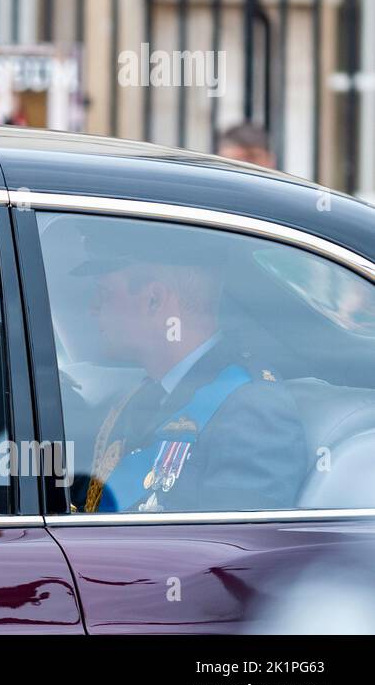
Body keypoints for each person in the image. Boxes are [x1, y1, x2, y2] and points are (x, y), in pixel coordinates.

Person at [70, 219, 306, 513]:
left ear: (154, 300)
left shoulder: (251, 411)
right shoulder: (141, 397)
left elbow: (240, 551)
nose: (93, 307)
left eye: (103, 294)